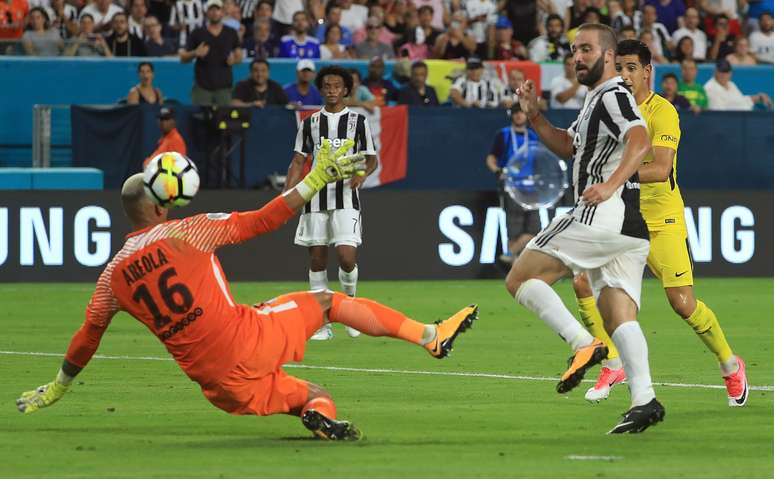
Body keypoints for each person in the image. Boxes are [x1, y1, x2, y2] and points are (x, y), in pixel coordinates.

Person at [15, 141, 480, 442]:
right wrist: (315, 180)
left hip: (218, 386)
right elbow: (263, 220)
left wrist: (59, 386)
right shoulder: (190, 231)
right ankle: (429, 336)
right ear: (161, 204)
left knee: (313, 394)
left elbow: (88, 336)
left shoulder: (112, 277)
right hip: (246, 339)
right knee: (329, 302)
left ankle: (316, 416)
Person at [575, 40, 748, 408]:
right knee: (583, 282)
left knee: (683, 304)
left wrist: (611, 173)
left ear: (647, 71)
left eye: (632, 68)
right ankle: (613, 362)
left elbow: (660, 168)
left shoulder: (663, 112)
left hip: (662, 218)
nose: (624, 75)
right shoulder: (608, 108)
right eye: (618, 67)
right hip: (622, 216)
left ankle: (730, 364)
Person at [508, 23, 663, 434]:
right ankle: (645, 399)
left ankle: (583, 345)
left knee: (520, 277)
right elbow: (568, 145)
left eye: (587, 49)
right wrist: (535, 115)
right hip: (631, 227)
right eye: (575, 50)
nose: (578, 57)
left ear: (608, 55)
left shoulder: (613, 96)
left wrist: (610, 185)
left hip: (603, 213)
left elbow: (640, 139)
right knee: (619, 316)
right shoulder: (596, 99)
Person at [283, 66, 379, 341]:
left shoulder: (358, 122)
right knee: (317, 259)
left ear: (346, 89)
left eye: (337, 85)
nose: (332, 90)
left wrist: (362, 174)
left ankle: (350, 312)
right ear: (321, 89)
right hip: (314, 197)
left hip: (346, 197)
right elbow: (299, 160)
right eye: (327, 86)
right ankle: (321, 322)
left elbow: (372, 159)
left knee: (347, 258)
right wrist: (288, 194)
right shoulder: (310, 123)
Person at [485, 104, 541, 263]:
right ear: (511, 115)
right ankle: (514, 271)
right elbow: (491, 158)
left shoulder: (533, 136)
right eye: (515, 113)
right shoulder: (503, 134)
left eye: (521, 113)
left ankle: (509, 254)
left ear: (526, 115)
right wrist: (498, 171)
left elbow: (538, 160)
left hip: (531, 188)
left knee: (534, 230)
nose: (518, 116)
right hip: (511, 187)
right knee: (513, 231)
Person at [180, 0, 242, 106]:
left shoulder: (231, 33)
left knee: (224, 119)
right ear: (206, 12)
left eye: (217, 9)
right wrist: (195, 53)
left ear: (222, 12)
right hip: (202, 87)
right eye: (211, 9)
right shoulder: (197, 33)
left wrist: (234, 60)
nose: (214, 12)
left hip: (224, 87)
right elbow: (183, 58)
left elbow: (239, 56)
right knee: (201, 119)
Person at [704, 59, 773, 110]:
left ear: (730, 73)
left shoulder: (731, 84)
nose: (724, 75)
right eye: (722, 72)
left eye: (727, 72)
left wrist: (757, 97)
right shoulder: (710, 88)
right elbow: (720, 110)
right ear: (715, 72)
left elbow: (740, 100)